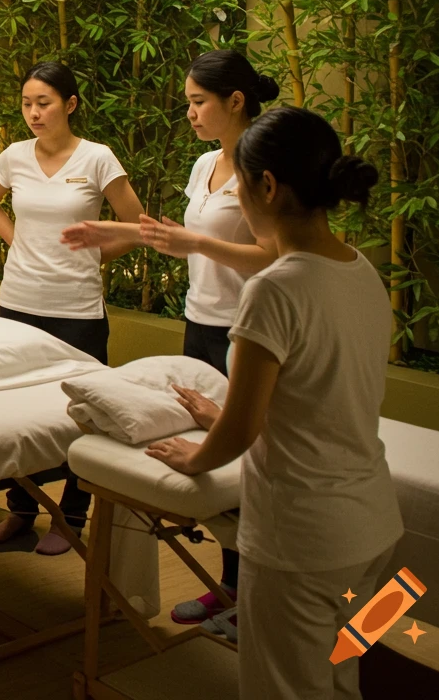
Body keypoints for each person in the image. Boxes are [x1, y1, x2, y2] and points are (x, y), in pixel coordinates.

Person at [146, 106, 400, 700]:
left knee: (282, 690)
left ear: (266, 186)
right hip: (377, 534)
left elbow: (237, 436)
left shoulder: (273, 289)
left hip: (303, 545)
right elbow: (321, 395)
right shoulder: (362, 270)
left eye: (238, 188)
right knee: (339, 679)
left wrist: (195, 456)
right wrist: (223, 416)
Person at [62, 49, 280, 621]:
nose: (189, 113)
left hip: (247, 331)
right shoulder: (204, 165)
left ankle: (257, 599)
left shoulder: (265, 170)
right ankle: (230, 588)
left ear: (235, 101)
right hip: (200, 322)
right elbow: (179, 236)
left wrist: (199, 244)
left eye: (198, 101)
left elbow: (274, 258)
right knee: (218, 468)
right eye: (187, 102)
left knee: (248, 464)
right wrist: (110, 229)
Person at [0, 62, 145, 554]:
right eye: (27, 103)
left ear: (69, 105)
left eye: (43, 103)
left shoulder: (97, 159)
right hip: (19, 302)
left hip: (77, 308)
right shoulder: (14, 156)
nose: (33, 112)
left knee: (83, 412)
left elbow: (135, 225)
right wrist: (18, 242)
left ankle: (72, 516)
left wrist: (92, 255)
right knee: (18, 411)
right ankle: (21, 512)